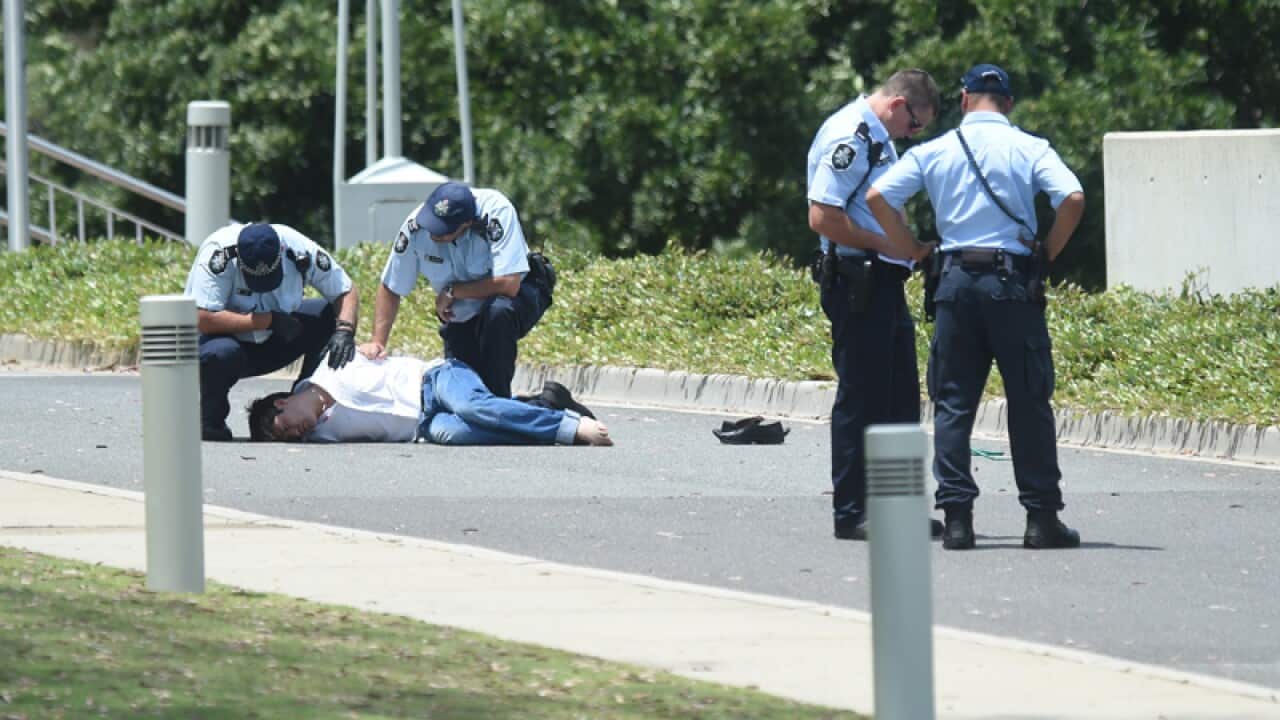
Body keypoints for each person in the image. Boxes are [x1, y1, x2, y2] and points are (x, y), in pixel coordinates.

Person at [867, 64, 1086, 550]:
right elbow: (1072, 196)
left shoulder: (936, 150)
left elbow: (879, 195)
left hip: (955, 282)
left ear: (964, 99)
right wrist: (1048, 249)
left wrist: (911, 248)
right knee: (1029, 401)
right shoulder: (1031, 148)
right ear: (1007, 104)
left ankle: (959, 518)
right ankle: (1040, 518)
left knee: (953, 403)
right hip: (1013, 286)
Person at [806, 69, 943, 541]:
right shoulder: (853, 135)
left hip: (883, 278)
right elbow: (822, 215)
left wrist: (906, 247)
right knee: (861, 399)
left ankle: (897, 508)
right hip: (855, 278)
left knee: (900, 397)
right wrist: (887, 242)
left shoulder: (881, 138)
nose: (913, 134)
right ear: (899, 105)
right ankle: (852, 512)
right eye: (916, 125)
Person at [360, 181, 553, 399]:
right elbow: (391, 286)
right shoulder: (415, 228)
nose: (433, 233)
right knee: (463, 397)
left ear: (467, 223)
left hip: (520, 294)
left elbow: (509, 284)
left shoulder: (496, 211)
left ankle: (500, 405)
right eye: (432, 223)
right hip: (464, 313)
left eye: (443, 231)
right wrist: (377, 342)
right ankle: (548, 402)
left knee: (498, 314)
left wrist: (452, 291)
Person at [185, 222, 359, 441]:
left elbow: (345, 290)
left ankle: (301, 404)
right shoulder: (218, 255)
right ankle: (211, 420)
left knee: (326, 316)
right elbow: (203, 319)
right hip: (225, 344)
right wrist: (266, 320)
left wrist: (345, 330)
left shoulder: (298, 249)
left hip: (277, 336)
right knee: (221, 354)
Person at [246, 353, 612, 447]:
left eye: (284, 429)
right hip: (424, 425)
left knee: (473, 407)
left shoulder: (332, 365)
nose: (295, 434)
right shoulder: (319, 437)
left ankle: (570, 426)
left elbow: (369, 344)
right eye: (289, 440)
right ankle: (543, 407)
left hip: (436, 380)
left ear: (281, 403)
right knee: (457, 434)